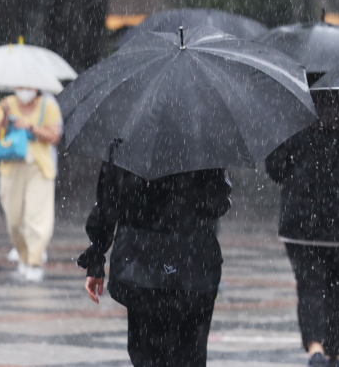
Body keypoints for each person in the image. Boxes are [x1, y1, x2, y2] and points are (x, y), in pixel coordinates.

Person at [78, 143, 232, 367]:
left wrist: (96, 257)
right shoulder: (204, 143)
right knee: (189, 353)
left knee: (146, 353)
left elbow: (107, 202)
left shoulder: (128, 141)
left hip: (142, 263)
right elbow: (217, 204)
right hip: (193, 264)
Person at [267, 90, 339, 367]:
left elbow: (275, 168)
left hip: (301, 225)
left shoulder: (294, 124)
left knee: (309, 286)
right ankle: (334, 352)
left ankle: (315, 347)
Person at [0, 87, 62, 282]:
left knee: (37, 217)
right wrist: (6, 117)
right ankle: (24, 256)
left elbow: (54, 136)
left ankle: (35, 261)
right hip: (11, 167)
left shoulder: (48, 105)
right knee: (14, 220)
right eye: (20, 86)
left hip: (38, 167)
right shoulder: (6, 104)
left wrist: (29, 127)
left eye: (28, 85)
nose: (24, 90)